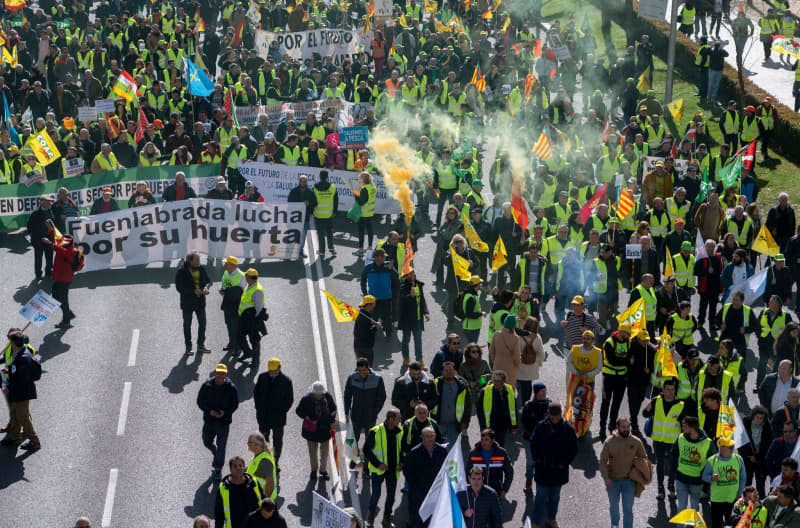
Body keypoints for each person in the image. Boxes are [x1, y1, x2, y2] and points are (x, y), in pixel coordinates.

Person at [529, 402, 578, 528]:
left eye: (557, 416)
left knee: (555, 498)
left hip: (559, 471)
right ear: (549, 414)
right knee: (540, 497)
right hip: (543, 469)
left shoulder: (568, 429)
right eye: (553, 416)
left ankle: (551, 519)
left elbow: (573, 449)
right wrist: (538, 459)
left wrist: (564, 462)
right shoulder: (541, 426)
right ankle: (535, 522)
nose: (555, 419)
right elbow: (533, 444)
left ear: (561, 414)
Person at [600, 417, 647, 528]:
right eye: (623, 427)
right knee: (614, 507)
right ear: (617, 427)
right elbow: (602, 461)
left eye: (628, 426)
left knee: (628, 510)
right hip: (612, 481)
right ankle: (614, 525)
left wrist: (638, 471)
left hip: (629, 482)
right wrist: (606, 478)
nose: (626, 429)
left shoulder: (636, 441)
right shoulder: (609, 442)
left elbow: (644, 458)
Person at [197, 363, 239, 480]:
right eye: (218, 373)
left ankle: (217, 468)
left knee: (222, 446)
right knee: (206, 442)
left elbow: (235, 404)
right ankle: (215, 452)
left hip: (223, 422)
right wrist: (209, 411)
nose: (220, 376)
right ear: (214, 373)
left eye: (223, 373)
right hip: (209, 421)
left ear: (226, 374)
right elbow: (200, 401)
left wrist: (225, 413)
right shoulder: (206, 386)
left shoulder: (231, 388)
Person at [643, 379, 684, 500]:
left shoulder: (681, 405)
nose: (670, 392)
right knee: (660, 464)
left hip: (673, 441)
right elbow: (644, 414)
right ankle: (660, 489)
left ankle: (671, 487)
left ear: (675, 390)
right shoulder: (656, 401)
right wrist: (648, 407)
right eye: (667, 389)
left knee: (673, 466)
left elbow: (683, 424)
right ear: (663, 390)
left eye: (672, 390)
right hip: (658, 440)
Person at [0, 331, 41, 451]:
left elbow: (21, 379)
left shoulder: (23, 358)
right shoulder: (20, 352)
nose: (9, 343)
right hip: (18, 391)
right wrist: (9, 372)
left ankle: (35, 442)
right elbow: (18, 373)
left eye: (10, 341)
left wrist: (8, 387)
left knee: (23, 417)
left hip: (21, 392)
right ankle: (15, 438)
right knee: (14, 414)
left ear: (13, 343)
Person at [364, 407, 403, 528]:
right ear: (391, 419)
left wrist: (401, 463)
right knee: (376, 494)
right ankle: (370, 517)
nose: (400, 420)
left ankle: (386, 519)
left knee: (391, 496)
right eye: (398, 418)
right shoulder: (375, 431)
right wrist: (378, 464)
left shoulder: (399, 431)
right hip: (379, 470)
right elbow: (366, 450)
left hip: (392, 470)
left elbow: (402, 450)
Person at [253, 357, 294, 471]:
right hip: (263, 416)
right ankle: (265, 459)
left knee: (277, 441)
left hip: (278, 418)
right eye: (270, 371)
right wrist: (258, 408)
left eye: (274, 371)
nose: (272, 373)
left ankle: (275, 461)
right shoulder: (262, 378)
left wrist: (282, 411)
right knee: (263, 440)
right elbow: (256, 393)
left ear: (279, 369)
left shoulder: (286, 381)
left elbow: (289, 399)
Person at [403, 427, 447, 528]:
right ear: (422, 437)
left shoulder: (442, 451)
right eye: (427, 436)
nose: (430, 439)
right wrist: (415, 487)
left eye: (432, 436)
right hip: (419, 492)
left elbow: (446, 469)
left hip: (436, 491)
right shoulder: (414, 453)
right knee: (418, 519)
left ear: (435, 436)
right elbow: (407, 471)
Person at [344, 357, 387, 463]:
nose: (362, 373)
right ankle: (355, 458)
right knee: (354, 438)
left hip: (370, 415)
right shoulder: (352, 378)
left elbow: (382, 397)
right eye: (360, 371)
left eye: (364, 370)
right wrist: (346, 411)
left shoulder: (377, 378)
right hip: (356, 414)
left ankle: (368, 460)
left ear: (369, 367)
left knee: (370, 439)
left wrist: (375, 411)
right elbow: (347, 396)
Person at [672, 416, 716, 512]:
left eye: (685, 426)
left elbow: (713, 461)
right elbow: (674, 454)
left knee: (694, 508)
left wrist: (704, 474)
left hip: (697, 481)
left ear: (692, 427)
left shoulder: (707, 443)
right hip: (681, 478)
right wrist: (675, 470)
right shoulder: (680, 438)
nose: (682, 428)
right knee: (681, 508)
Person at [295, 381, 337, 481]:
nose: (319, 396)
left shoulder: (328, 397)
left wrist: (330, 419)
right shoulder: (306, 399)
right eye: (316, 394)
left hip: (325, 429)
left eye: (320, 394)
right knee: (312, 452)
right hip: (311, 431)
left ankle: (323, 470)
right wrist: (307, 417)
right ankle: (313, 471)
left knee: (325, 452)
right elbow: (298, 411)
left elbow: (333, 409)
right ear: (312, 393)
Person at [703, 435, 747, 528]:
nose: (732, 449)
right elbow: (704, 476)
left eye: (732, 446)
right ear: (721, 448)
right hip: (717, 500)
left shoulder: (738, 459)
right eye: (729, 447)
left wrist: (739, 493)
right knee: (716, 525)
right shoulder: (712, 461)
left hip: (733, 499)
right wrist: (711, 478)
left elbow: (743, 478)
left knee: (731, 524)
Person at [40, 230, 79, 328]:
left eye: (62, 242)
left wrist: (48, 242)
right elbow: (57, 237)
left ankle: (66, 321)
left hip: (64, 279)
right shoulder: (67, 246)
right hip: (60, 278)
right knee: (55, 296)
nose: (59, 242)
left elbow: (57, 248)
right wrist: (50, 227)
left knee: (63, 300)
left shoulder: (69, 251)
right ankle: (69, 313)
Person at [599, 323, 632, 440]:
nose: (627, 336)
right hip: (609, 376)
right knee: (605, 402)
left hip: (621, 378)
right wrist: (627, 361)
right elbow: (612, 360)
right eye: (626, 334)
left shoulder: (628, 342)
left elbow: (627, 359)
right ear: (620, 332)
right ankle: (602, 426)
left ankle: (612, 425)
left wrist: (626, 361)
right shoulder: (609, 342)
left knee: (616, 403)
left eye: (629, 335)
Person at [175, 252, 211, 355]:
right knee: (187, 325)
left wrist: (206, 287)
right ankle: (188, 347)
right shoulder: (181, 271)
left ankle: (201, 345)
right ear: (190, 261)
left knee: (203, 323)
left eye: (199, 260)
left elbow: (208, 280)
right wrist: (193, 291)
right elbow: (179, 288)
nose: (199, 262)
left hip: (200, 302)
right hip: (187, 304)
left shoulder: (201, 268)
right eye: (197, 260)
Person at [360, 247, 399, 341]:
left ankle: (388, 335)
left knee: (387, 317)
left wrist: (391, 270)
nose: (385, 258)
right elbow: (363, 280)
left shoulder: (388, 266)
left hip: (386, 297)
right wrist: (365, 294)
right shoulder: (368, 267)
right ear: (377, 258)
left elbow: (397, 278)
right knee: (373, 317)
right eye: (383, 257)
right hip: (373, 298)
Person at [214, 456, 263, 528]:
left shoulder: (254, 483)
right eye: (235, 466)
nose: (238, 468)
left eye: (240, 465)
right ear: (230, 469)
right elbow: (219, 515)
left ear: (244, 468)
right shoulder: (223, 488)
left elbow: (266, 503)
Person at [431, 361, 472, 445]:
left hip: (454, 425)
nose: (448, 372)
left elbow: (468, 406)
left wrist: (465, 422)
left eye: (451, 370)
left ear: (455, 372)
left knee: (452, 449)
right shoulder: (435, 384)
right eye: (446, 370)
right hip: (439, 423)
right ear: (442, 372)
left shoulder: (462, 386)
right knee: (439, 448)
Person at [757, 296, 792, 388]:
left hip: (777, 347)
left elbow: (790, 332)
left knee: (775, 367)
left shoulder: (786, 316)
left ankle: (772, 386)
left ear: (778, 305)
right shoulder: (764, 312)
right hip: (764, 344)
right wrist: (760, 337)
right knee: (761, 365)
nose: (769, 304)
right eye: (769, 302)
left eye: (771, 303)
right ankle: (759, 385)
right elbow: (757, 326)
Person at [476, 370, 518, 448]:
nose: (495, 383)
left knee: (500, 447)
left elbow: (513, 408)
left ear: (504, 381)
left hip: (503, 426)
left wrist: (514, 426)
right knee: (487, 447)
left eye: (498, 381)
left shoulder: (509, 390)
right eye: (494, 380)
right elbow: (479, 411)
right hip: (489, 426)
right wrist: (483, 427)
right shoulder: (485, 391)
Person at [397, 269, 430, 365]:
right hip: (407, 319)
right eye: (410, 274)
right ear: (406, 275)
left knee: (418, 340)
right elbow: (401, 299)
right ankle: (406, 358)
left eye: (413, 273)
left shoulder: (418, 285)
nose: (413, 275)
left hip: (418, 318)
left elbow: (422, 299)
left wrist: (426, 312)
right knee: (406, 339)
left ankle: (419, 360)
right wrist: (410, 296)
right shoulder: (402, 286)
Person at [740, 405, 772, 498]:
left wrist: (758, 458)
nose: (759, 420)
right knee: (747, 482)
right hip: (748, 459)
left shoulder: (767, 427)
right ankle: (745, 501)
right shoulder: (745, 424)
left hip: (761, 460)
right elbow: (741, 442)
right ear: (753, 416)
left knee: (760, 484)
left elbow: (767, 445)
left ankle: (761, 502)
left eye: (761, 418)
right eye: (757, 417)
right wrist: (749, 456)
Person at [287, 175, 317, 258]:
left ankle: (300, 250)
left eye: (304, 181)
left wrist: (309, 204)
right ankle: (290, 251)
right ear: (299, 181)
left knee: (303, 236)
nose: (303, 183)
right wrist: (300, 203)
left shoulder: (310, 192)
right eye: (301, 181)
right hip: (295, 218)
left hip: (305, 218)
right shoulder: (294, 191)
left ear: (307, 182)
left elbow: (315, 203)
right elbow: (289, 202)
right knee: (293, 235)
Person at [239, 268, 266, 357]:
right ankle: (247, 352)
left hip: (252, 319)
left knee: (254, 339)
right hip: (245, 317)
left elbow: (259, 308)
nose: (245, 277)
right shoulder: (249, 285)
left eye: (246, 276)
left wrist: (254, 320)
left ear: (249, 278)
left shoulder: (257, 290)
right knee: (240, 335)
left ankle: (255, 359)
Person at [489, 314, 521, 390]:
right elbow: (517, 356)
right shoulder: (515, 338)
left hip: (497, 365)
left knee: (496, 388)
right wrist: (517, 365)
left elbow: (491, 352)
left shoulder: (496, 334)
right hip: (510, 368)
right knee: (508, 390)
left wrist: (496, 360)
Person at [27, 195, 54, 280]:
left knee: (49, 256)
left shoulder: (50, 211)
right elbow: (30, 226)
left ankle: (48, 271)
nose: (50, 203)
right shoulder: (35, 213)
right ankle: (38, 274)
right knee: (39, 257)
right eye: (48, 201)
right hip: (39, 240)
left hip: (49, 238)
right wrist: (37, 238)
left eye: (50, 201)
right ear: (42, 202)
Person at [312, 169, 338, 257]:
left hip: (318, 215)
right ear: (327, 177)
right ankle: (332, 249)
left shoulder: (315, 187)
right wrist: (335, 212)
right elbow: (336, 201)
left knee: (320, 234)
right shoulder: (333, 187)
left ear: (320, 177)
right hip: (329, 214)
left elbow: (313, 201)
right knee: (329, 232)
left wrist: (311, 211)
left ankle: (322, 251)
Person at [246, 432, 277, 500]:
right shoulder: (259, 455)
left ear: (256, 445)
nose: (247, 444)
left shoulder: (265, 461)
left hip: (262, 501)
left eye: (249, 442)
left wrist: (264, 503)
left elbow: (270, 484)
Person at [353, 295, 382, 365]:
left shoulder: (364, 315)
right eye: (373, 304)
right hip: (364, 348)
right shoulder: (364, 318)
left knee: (362, 368)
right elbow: (366, 333)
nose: (374, 306)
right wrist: (376, 327)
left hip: (360, 346)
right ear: (368, 305)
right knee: (365, 368)